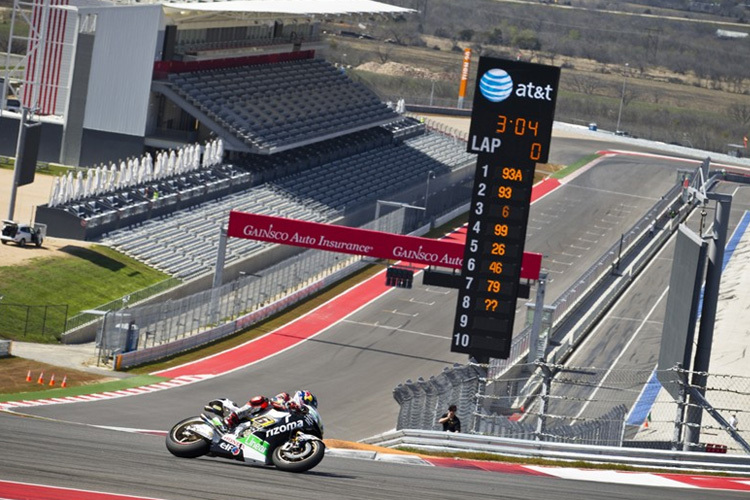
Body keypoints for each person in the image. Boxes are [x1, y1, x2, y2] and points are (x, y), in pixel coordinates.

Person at [216, 390, 317, 432]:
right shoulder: (286, 397)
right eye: (308, 403)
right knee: (261, 400)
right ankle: (232, 418)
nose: (307, 407)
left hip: (269, 426)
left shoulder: (297, 416)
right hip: (257, 416)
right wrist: (288, 405)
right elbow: (275, 401)